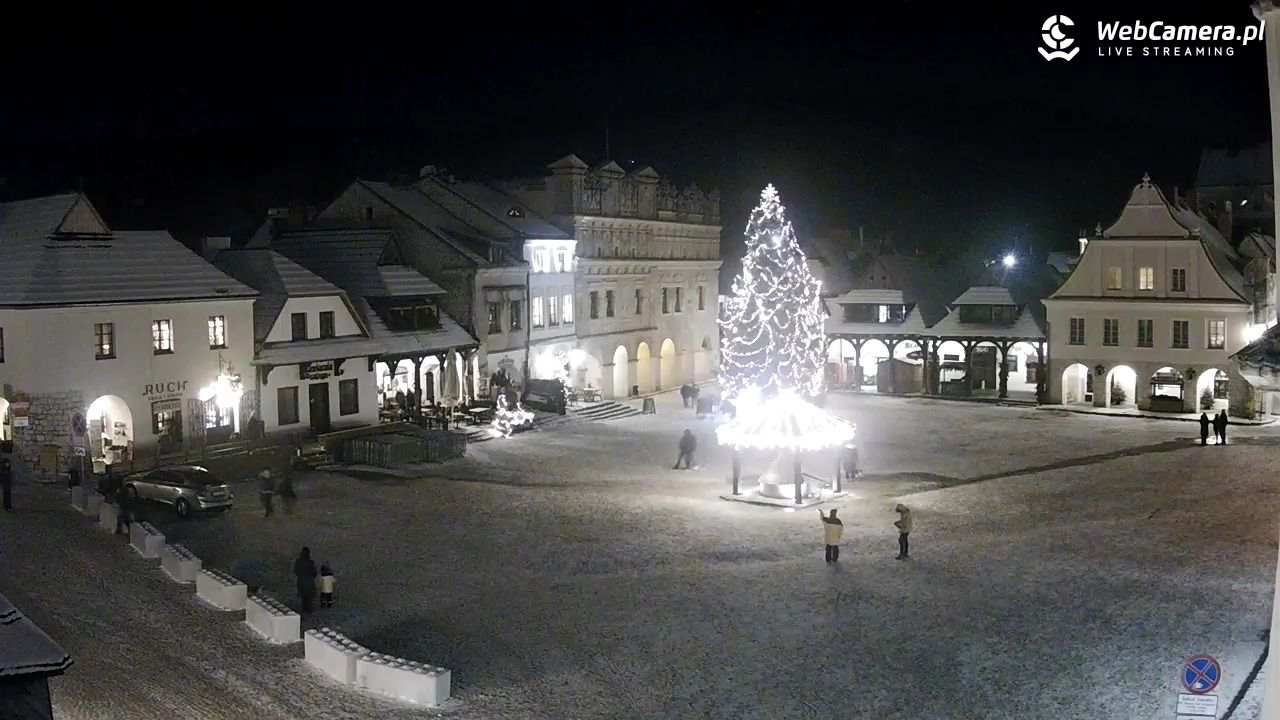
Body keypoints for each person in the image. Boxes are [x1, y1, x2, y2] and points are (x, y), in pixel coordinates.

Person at [293, 546, 318, 614]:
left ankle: (304, 610)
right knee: (308, 598)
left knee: (303, 597)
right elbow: (314, 573)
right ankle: (308, 610)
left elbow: (295, 571)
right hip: (309, 581)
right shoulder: (310, 562)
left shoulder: (298, 561)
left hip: (301, 581)